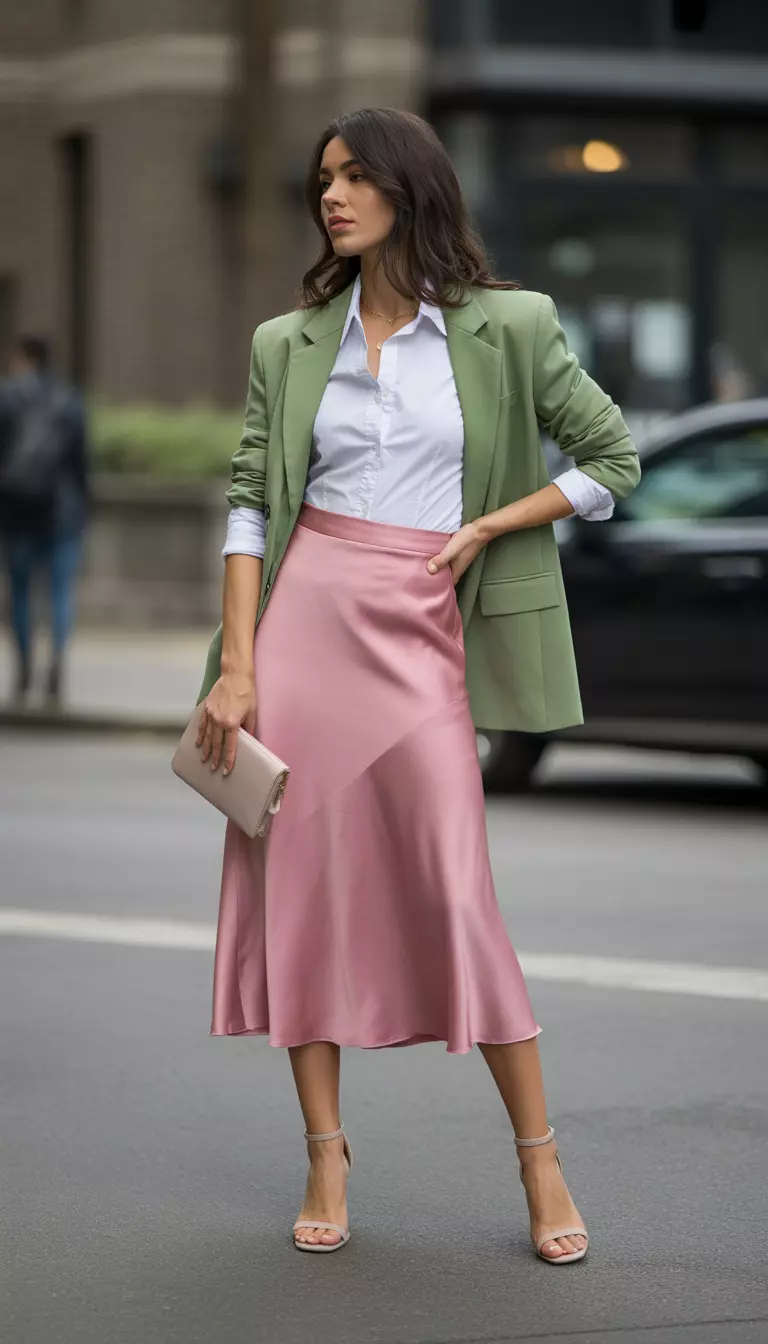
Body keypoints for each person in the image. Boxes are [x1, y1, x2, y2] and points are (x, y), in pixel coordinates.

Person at [195, 108, 640, 1262]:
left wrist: (498, 519)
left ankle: (541, 1166)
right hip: (305, 627)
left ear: (410, 189)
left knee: (456, 893)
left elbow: (612, 460)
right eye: (322, 179)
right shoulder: (287, 342)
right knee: (300, 896)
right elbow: (251, 502)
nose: (331, 196)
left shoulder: (510, 328)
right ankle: (327, 1156)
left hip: (423, 628)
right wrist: (240, 665)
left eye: (353, 177)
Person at [0, 336, 88, 704]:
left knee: (20, 591)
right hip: (62, 511)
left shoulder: (6, 399)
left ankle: (23, 669)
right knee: (59, 591)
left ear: (22, 358)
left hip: (17, 510)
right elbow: (82, 462)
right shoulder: (68, 400)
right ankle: (55, 666)